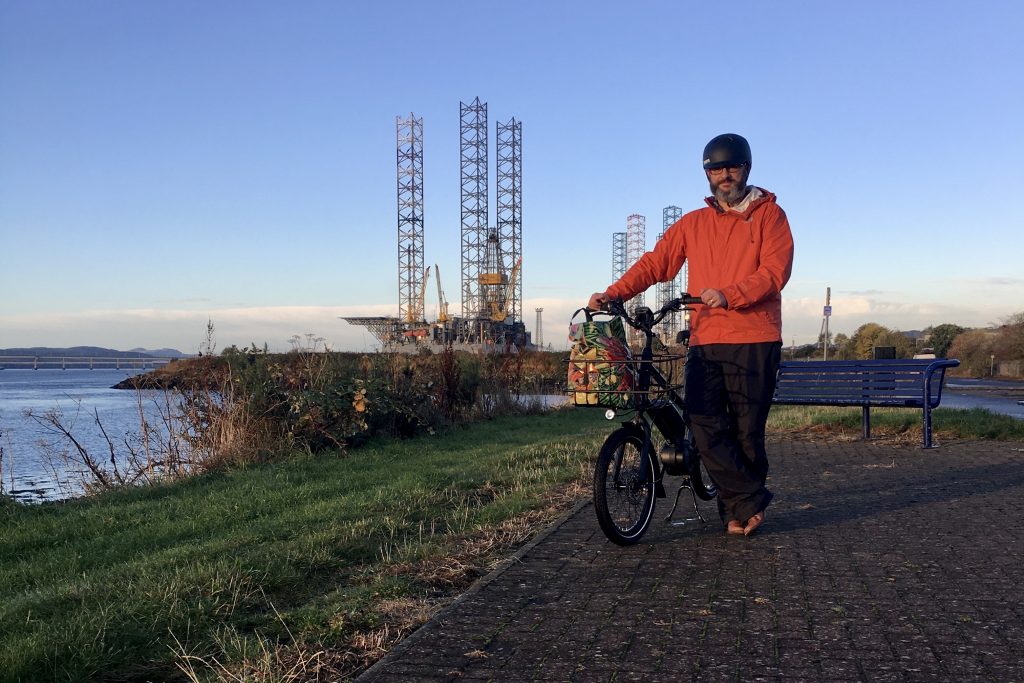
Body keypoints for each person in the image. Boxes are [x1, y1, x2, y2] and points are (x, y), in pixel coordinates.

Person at [588, 133, 794, 536]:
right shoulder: (693, 223)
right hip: (706, 338)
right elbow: (656, 264)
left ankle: (737, 510)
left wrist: (731, 295)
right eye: (716, 170)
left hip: (755, 337)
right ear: (707, 175)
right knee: (701, 420)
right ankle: (748, 500)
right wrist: (613, 294)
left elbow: (774, 272)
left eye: (731, 168)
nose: (724, 176)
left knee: (746, 429)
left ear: (746, 169)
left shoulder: (771, 216)